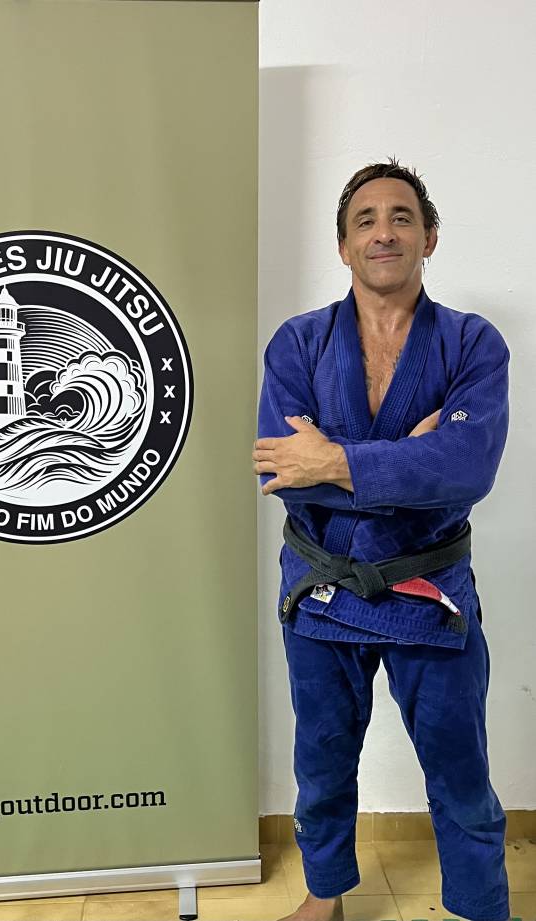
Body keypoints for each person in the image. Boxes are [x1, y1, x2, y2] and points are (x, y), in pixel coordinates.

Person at [253, 158, 511, 921]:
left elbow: (467, 466)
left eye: (402, 217)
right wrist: (409, 459)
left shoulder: (471, 343)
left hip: (429, 590)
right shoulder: (298, 344)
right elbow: (283, 473)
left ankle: (480, 904)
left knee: (460, 765)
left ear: (429, 236)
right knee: (322, 757)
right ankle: (325, 894)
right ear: (343, 246)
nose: (384, 232)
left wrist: (333, 459)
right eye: (365, 220)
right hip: (322, 586)